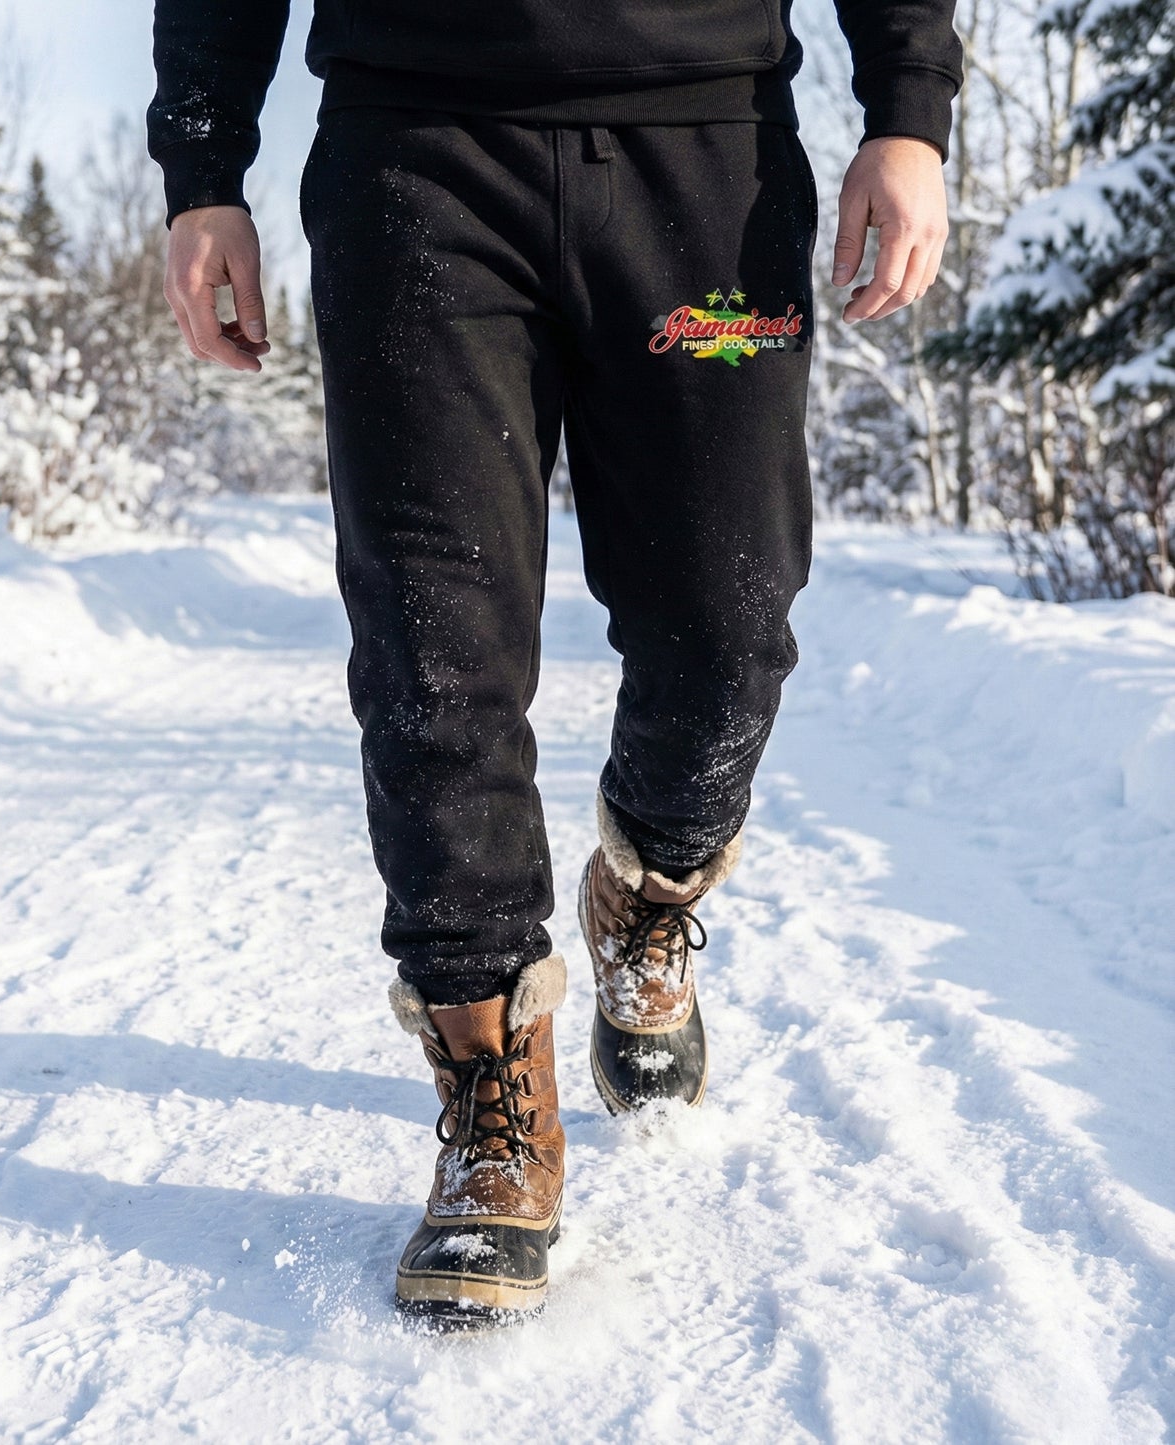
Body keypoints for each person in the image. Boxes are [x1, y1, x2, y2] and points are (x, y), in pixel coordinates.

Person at [147, 0, 961, 1326]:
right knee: (433, 655)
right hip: (413, 157)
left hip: (705, 158)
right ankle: (490, 1092)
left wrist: (907, 112)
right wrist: (203, 171)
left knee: (726, 627)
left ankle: (649, 881)